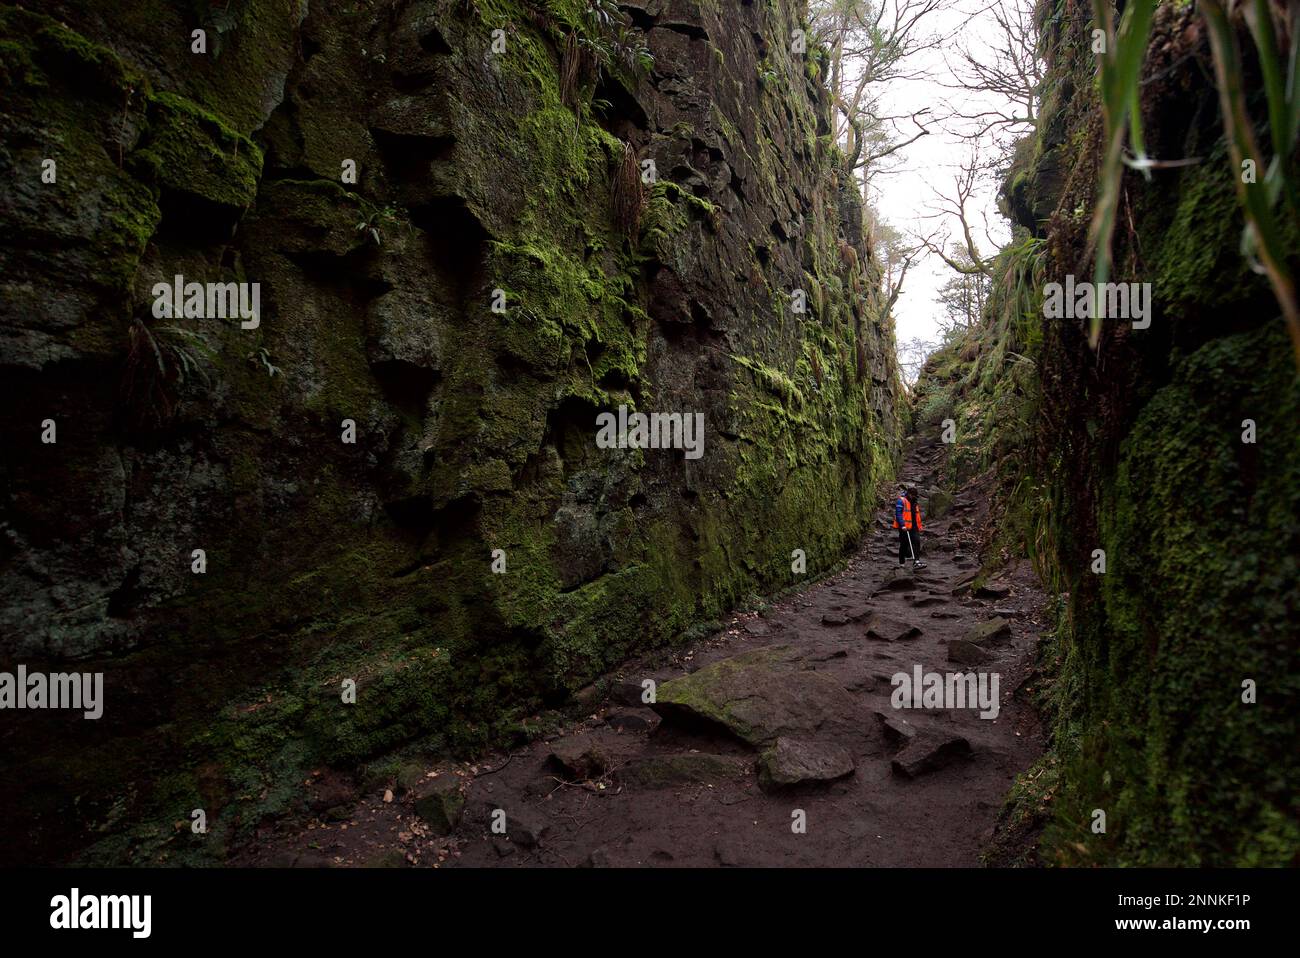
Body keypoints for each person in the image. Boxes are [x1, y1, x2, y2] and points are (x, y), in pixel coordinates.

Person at [892, 484, 926, 569]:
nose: (914, 497)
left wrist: (919, 526)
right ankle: (902, 563)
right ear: (909, 494)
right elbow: (898, 514)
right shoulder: (901, 500)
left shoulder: (914, 501)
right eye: (913, 495)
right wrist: (902, 525)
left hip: (914, 526)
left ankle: (916, 561)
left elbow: (916, 514)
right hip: (904, 527)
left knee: (916, 542)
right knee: (904, 544)